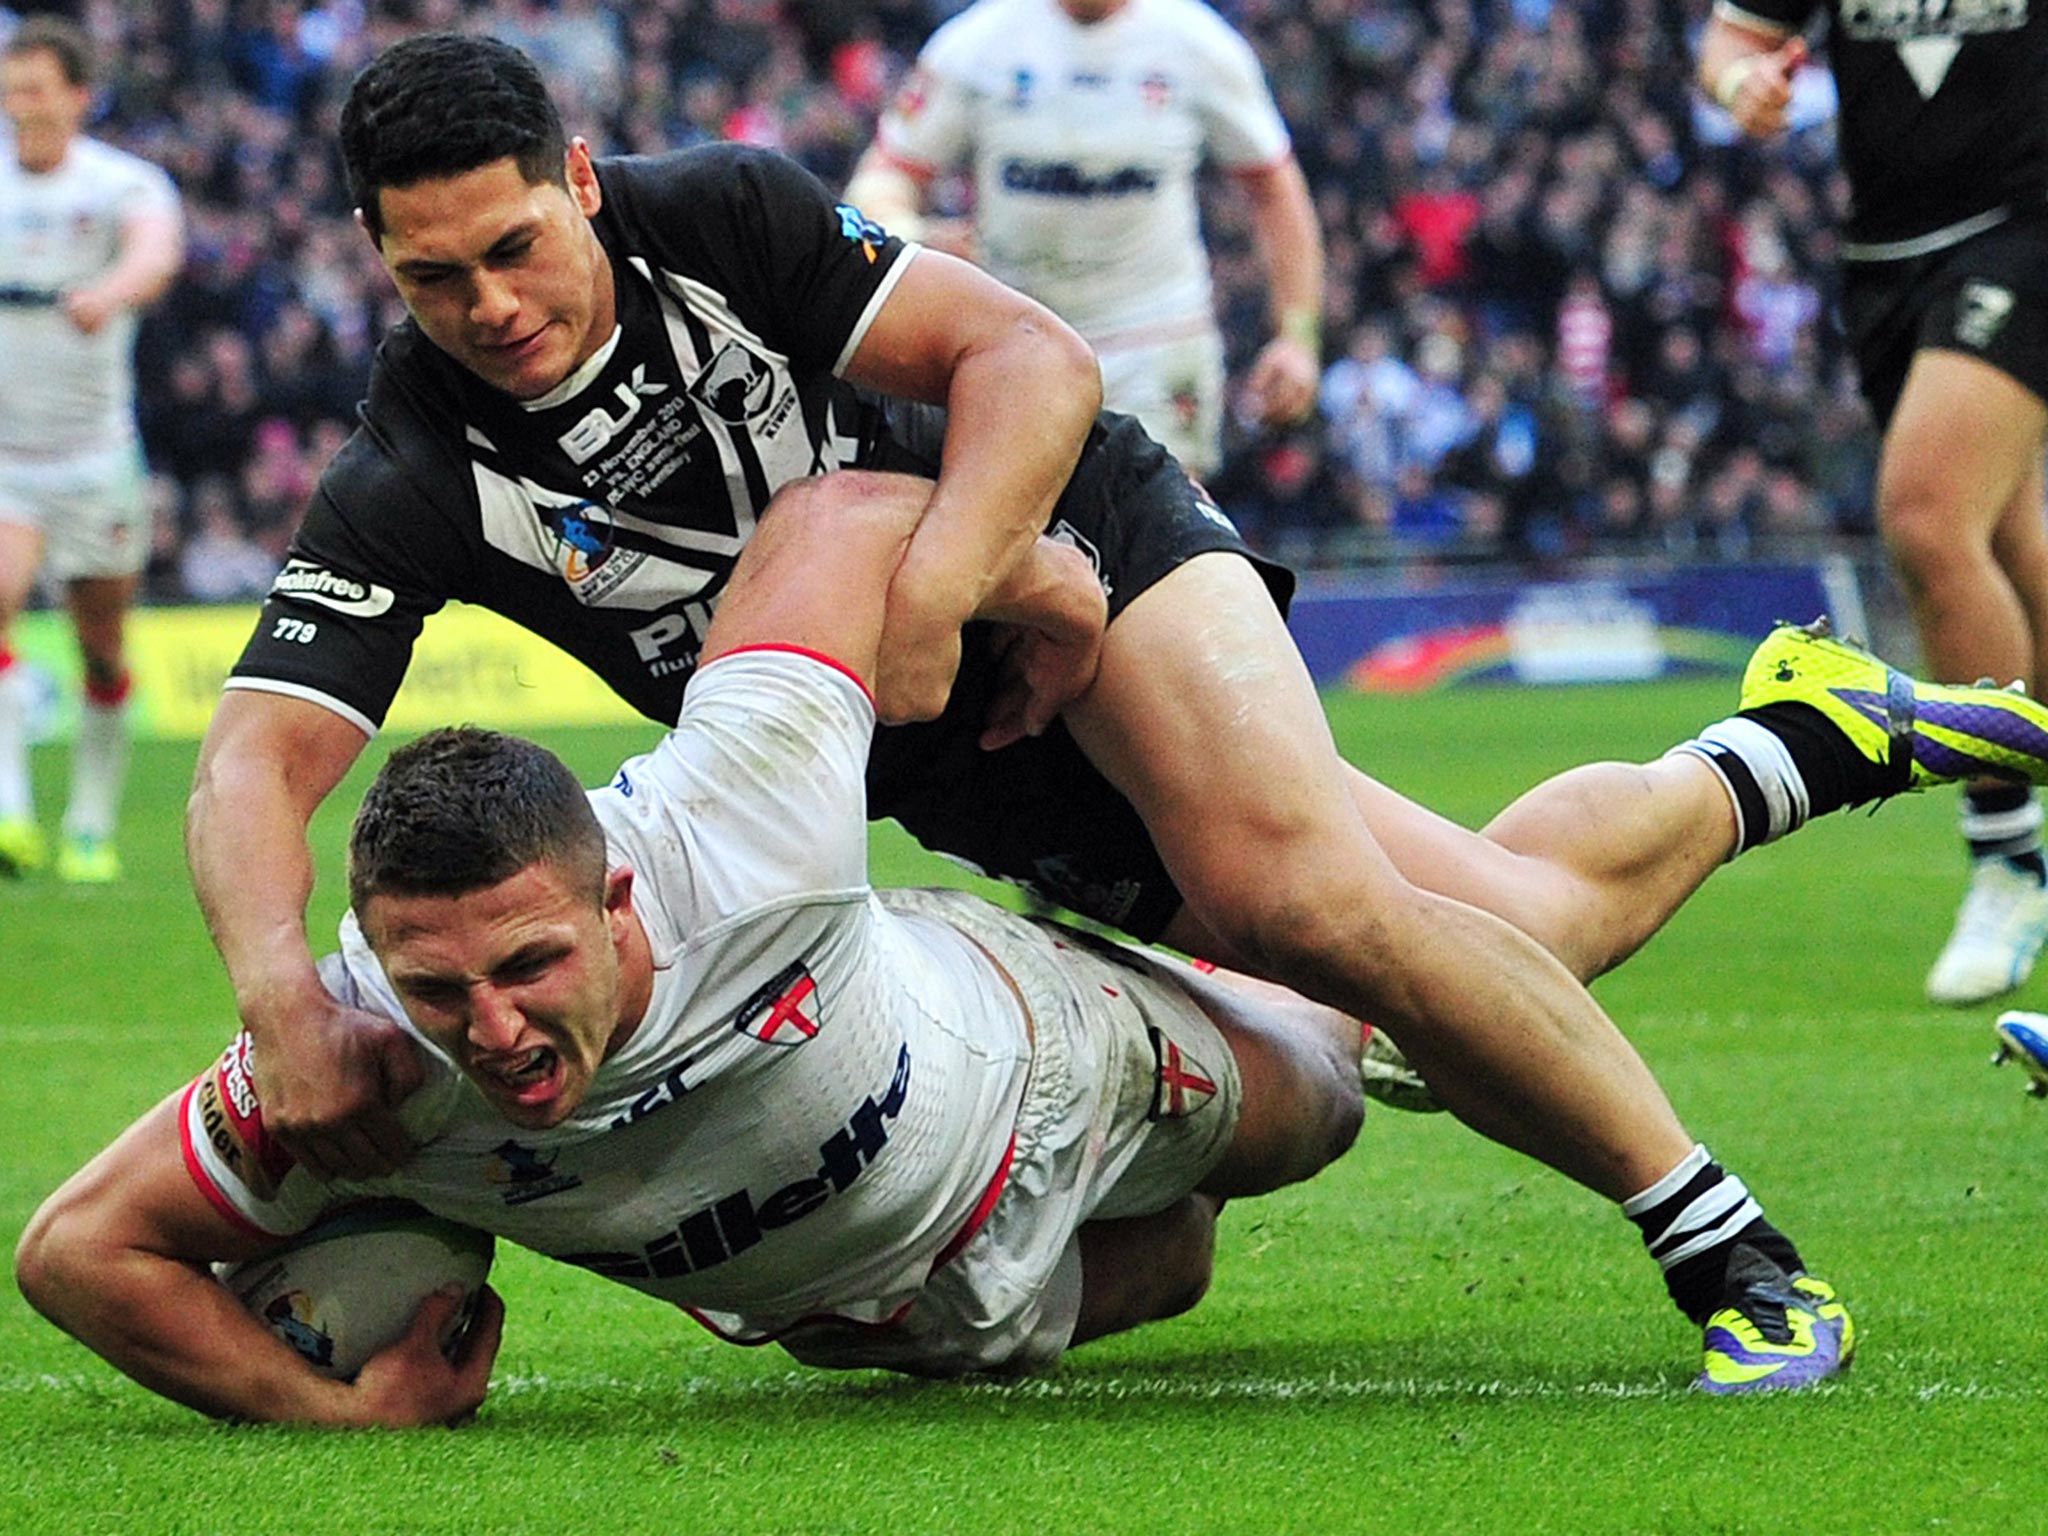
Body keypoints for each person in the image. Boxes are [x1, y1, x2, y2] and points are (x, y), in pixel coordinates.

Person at [190, 34, 2048, 1388]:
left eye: (514, 246)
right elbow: (262, 750)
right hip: (957, 724)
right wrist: (283, 999)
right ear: (373, 253)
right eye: (432, 275)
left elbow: (1026, 357)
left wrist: (955, 579)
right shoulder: (411, 462)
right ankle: (1801, 740)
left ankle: (1732, 1258)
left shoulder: (723, 221)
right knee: (1492, 930)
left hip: (1082, 535)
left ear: (576, 182)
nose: (490, 303)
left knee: (1305, 907)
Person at [17, 477, 1374, 1424]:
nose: (489, 1031)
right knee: (1175, 1264)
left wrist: (1034, 581)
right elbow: (77, 1252)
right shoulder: (356, 1058)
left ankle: (1531, 884)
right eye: (440, 990)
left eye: (530, 967)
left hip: (1034, 1066)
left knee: (1330, 1083)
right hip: (903, 1314)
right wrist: (331, 1413)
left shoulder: (739, 815)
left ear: (617, 902)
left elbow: (838, 516)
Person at [1699, 5, 2048, 1004]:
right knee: (2007, 535)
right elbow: (1726, 46)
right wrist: (1742, 88)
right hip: (1886, 259)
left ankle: (2005, 856)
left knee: (1926, 517)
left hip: (2022, 227)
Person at [843, 0, 1322, 479]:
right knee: (1015, 536)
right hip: (1013, 340)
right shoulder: (977, 45)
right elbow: (886, 173)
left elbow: (1274, 190)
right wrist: (911, 232)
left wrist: (1297, 337)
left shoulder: (1198, 45)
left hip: (1154, 339)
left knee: (1168, 538)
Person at [0, 15, 183, 882]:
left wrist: (109, 293)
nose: (20, 104)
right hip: (7, 457)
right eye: (11, 87)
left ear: (77, 97)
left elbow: (156, 254)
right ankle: (10, 813)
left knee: (100, 647)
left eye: (37, 88)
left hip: (94, 455)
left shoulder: (122, 186)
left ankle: (89, 821)